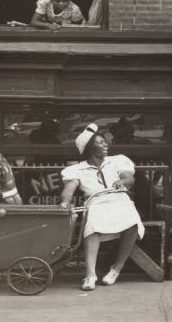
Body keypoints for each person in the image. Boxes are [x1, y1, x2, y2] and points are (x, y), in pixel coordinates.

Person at [59, 124, 144, 290]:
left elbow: (129, 179)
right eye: (101, 143)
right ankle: (90, 275)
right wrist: (65, 201)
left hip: (120, 199)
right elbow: (68, 191)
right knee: (92, 227)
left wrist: (123, 182)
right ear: (90, 148)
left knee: (133, 223)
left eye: (105, 142)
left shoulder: (117, 160)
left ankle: (116, 269)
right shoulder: (76, 169)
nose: (106, 145)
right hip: (96, 203)